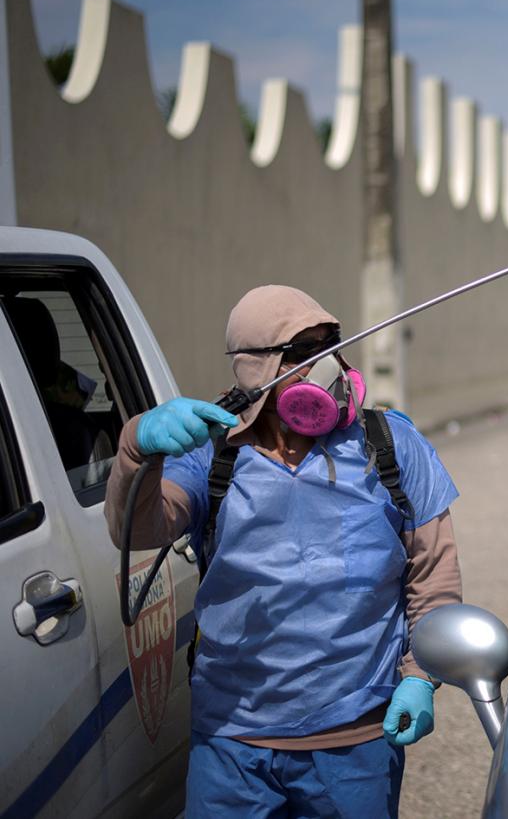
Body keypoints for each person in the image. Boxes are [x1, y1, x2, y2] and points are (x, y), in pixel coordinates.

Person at [105, 285, 462, 818]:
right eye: (300, 352)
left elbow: (433, 577)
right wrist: (138, 448)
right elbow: (140, 530)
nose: (325, 365)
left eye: (331, 343)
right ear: (254, 369)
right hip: (231, 741)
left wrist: (420, 676)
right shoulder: (212, 454)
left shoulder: (390, 445)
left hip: (355, 741)